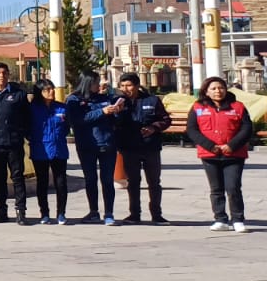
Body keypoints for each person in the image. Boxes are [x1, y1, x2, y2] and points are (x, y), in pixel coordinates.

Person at [188, 76, 254, 233]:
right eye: (213, 89)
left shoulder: (237, 107)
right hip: (210, 154)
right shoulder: (198, 107)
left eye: (221, 88)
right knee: (216, 189)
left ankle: (238, 219)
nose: (218, 91)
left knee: (233, 187)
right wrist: (210, 146)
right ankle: (220, 219)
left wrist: (232, 145)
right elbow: (192, 129)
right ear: (206, 91)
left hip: (234, 154)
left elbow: (246, 128)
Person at [115, 72, 172, 225]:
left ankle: (157, 215)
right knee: (133, 182)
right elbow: (113, 123)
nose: (125, 89)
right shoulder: (118, 102)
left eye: (129, 85)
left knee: (154, 182)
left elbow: (165, 120)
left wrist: (154, 127)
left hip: (150, 147)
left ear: (137, 86)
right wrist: (116, 112)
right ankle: (134, 214)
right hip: (129, 147)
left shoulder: (152, 100)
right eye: (122, 86)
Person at [65, 70, 118, 224]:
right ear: (88, 83)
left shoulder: (104, 98)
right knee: (90, 179)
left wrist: (116, 110)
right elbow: (78, 120)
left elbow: (114, 119)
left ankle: (109, 213)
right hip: (86, 145)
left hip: (106, 144)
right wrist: (102, 112)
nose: (98, 85)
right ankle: (93, 211)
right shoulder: (74, 100)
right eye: (96, 82)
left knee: (107, 180)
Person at [0, 62, 30, 225]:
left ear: (8, 75)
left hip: (14, 143)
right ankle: (1, 211)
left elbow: (26, 117)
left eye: (4, 73)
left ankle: (21, 211)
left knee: (17, 177)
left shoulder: (18, 94)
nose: (1, 76)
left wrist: (21, 134)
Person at [28, 79, 70, 225]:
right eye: (47, 90)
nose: (51, 92)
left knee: (61, 182)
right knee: (42, 182)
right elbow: (27, 129)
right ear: (40, 92)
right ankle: (44, 213)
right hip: (40, 149)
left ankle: (61, 213)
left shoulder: (61, 108)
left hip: (59, 149)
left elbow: (66, 128)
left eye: (52, 89)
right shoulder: (32, 109)